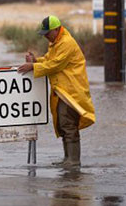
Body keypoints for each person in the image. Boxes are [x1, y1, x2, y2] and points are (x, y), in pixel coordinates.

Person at [17, 15, 95, 167]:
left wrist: (33, 67)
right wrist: (36, 60)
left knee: (68, 125)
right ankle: (68, 159)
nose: (46, 36)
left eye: (47, 33)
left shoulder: (66, 43)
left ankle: (73, 161)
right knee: (63, 124)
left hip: (71, 92)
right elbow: (49, 59)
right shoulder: (56, 42)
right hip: (62, 91)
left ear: (56, 29)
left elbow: (55, 65)